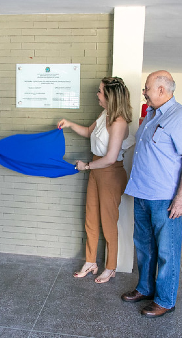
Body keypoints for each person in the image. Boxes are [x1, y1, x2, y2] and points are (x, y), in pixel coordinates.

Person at [121, 70, 182, 318]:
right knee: (144, 246)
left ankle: (165, 300)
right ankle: (145, 288)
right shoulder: (151, 115)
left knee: (167, 251)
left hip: (165, 198)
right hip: (142, 193)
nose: (143, 92)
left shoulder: (181, 117)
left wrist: (181, 198)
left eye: (146, 88)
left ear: (162, 90)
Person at [57, 76, 134, 283]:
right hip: (96, 170)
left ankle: (111, 267)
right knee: (90, 219)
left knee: (108, 223)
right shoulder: (104, 114)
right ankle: (90, 261)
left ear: (109, 96)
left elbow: (110, 158)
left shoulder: (119, 122)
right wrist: (69, 124)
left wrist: (87, 166)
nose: (97, 94)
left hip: (110, 172)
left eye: (100, 91)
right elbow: (89, 132)